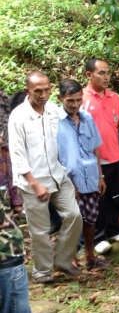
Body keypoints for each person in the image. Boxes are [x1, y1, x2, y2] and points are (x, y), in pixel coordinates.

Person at [8, 72, 83, 283]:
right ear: (28, 91)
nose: (43, 95)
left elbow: (65, 139)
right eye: (37, 91)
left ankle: (63, 260)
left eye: (46, 90)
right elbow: (17, 153)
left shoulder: (52, 110)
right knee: (40, 231)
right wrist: (34, 183)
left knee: (74, 215)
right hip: (33, 180)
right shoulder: (18, 117)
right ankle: (42, 271)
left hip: (59, 175)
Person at [57, 80, 107, 270]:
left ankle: (90, 255)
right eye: (70, 100)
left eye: (78, 100)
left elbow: (96, 148)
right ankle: (70, 257)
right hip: (69, 178)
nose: (75, 104)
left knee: (91, 218)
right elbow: (56, 156)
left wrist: (101, 176)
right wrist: (69, 184)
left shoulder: (87, 118)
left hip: (91, 176)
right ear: (61, 98)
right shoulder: (55, 122)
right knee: (72, 219)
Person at [81, 58, 119, 247]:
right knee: (98, 197)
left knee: (116, 194)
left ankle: (114, 229)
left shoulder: (115, 98)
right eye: (101, 73)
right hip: (94, 159)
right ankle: (99, 237)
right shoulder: (81, 99)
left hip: (116, 155)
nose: (106, 77)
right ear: (89, 74)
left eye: (108, 72)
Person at [0, 90, 22, 214]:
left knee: (10, 173)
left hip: (7, 142)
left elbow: (9, 115)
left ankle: (15, 204)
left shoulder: (3, 96)